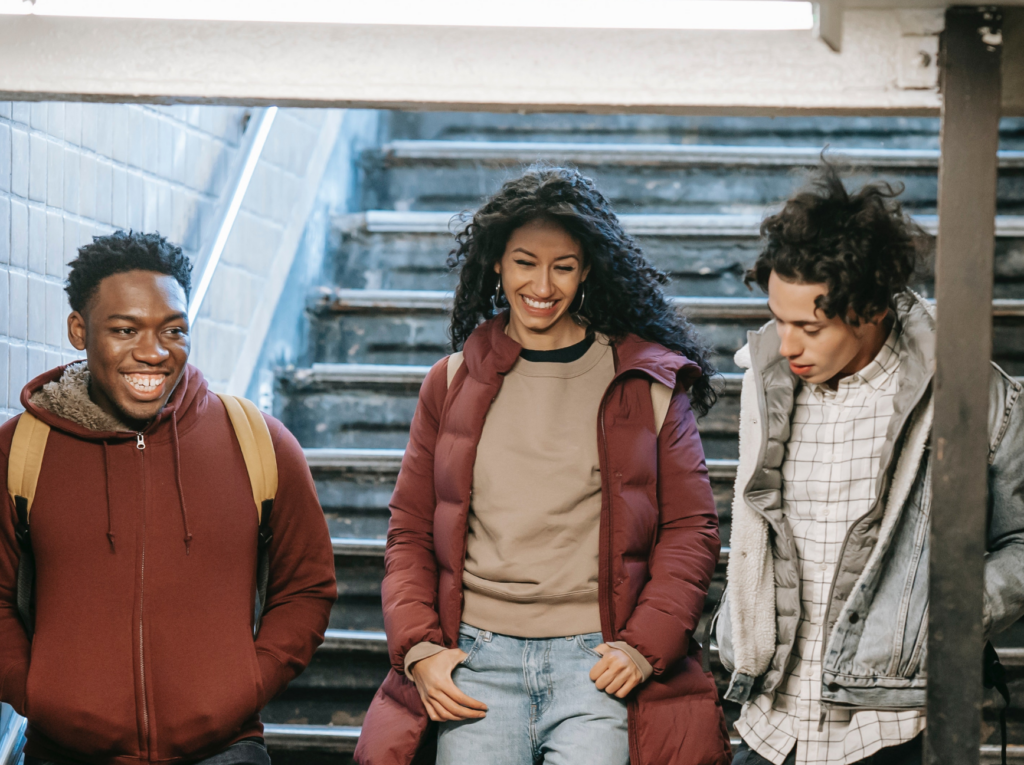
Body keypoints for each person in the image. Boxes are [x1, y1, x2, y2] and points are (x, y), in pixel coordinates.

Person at [355, 166, 732, 765]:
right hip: (476, 663)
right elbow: (409, 530)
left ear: (587, 270)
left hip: (597, 663)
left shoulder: (645, 382)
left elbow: (692, 530)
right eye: (525, 261)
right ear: (497, 265)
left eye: (563, 266)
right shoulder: (451, 382)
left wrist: (644, 647)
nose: (543, 284)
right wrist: (420, 649)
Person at [717, 164, 1024, 765]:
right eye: (779, 320)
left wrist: (946, 616)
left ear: (872, 310)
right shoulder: (768, 381)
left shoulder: (970, 394)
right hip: (771, 721)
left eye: (809, 326)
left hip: (892, 727)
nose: (786, 345)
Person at [0, 232, 337, 765]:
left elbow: (308, 587)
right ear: (78, 331)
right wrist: (38, 691)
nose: (153, 352)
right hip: (65, 753)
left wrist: (246, 683)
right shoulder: (21, 449)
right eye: (125, 329)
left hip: (225, 752)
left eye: (173, 330)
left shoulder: (258, 441)